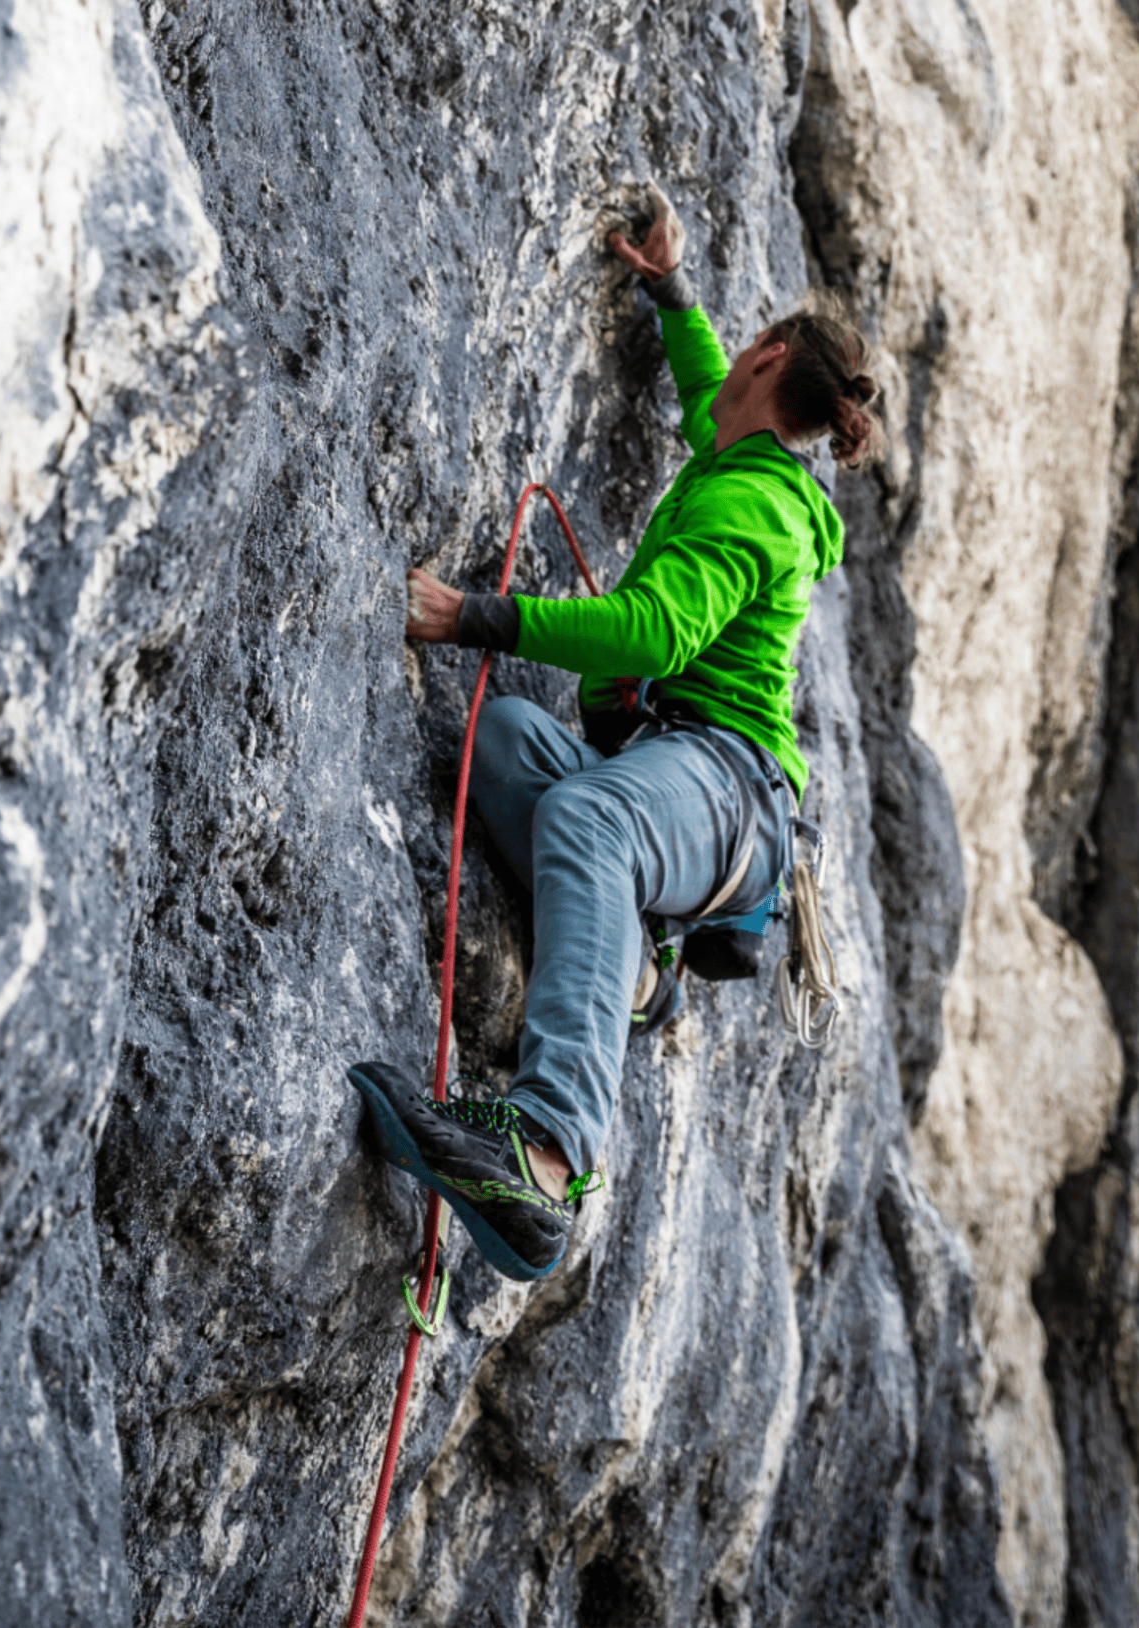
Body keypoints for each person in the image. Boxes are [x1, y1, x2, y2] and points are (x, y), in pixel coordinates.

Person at [348, 185, 885, 1282]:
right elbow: (708, 394)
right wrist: (670, 289)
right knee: (504, 744)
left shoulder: (758, 506)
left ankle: (544, 1160)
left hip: (729, 785)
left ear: (773, 355)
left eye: (747, 341)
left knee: (589, 816)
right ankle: (638, 976)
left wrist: (471, 615)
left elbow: (646, 633)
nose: (729, 353)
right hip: (676, 768)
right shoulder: (747, 458)